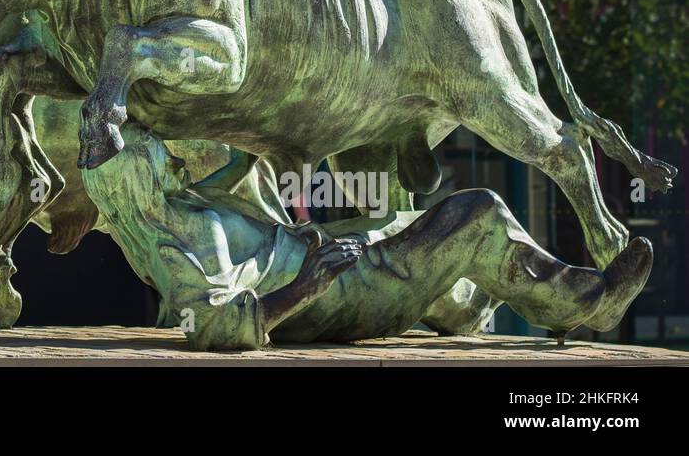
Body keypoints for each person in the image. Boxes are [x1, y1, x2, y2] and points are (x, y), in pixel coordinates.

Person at [83, 125, 653, 352]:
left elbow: (241, 166)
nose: (161, 144)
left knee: (407, 223)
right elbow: (210, 328)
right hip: (338, 292)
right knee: (477, 213)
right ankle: (589, 304)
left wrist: (266, 122)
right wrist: (306, 287)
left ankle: (462, 309)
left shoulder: (184, 203)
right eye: (150, 146)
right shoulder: (178, 239)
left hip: (324, 254)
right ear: (141, 175)